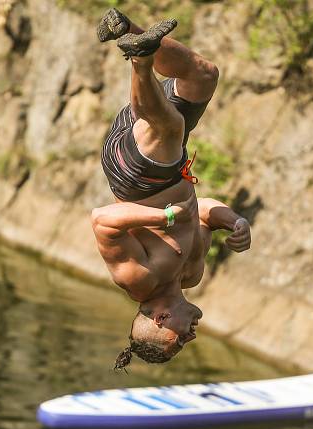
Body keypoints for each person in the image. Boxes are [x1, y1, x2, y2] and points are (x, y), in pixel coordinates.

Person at [91, 9, 252, 370]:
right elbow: (204, 211)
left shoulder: (139, 280)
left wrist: (161, 216)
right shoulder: (192, 273)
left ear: (160, 321)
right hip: (166, 161)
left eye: (179, 341)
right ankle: (126, 30)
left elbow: (102, 220)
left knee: (170, 127)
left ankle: (140, 60)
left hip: (135, 173)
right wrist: (236, 221)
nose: (191, 336)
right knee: (201, 76)